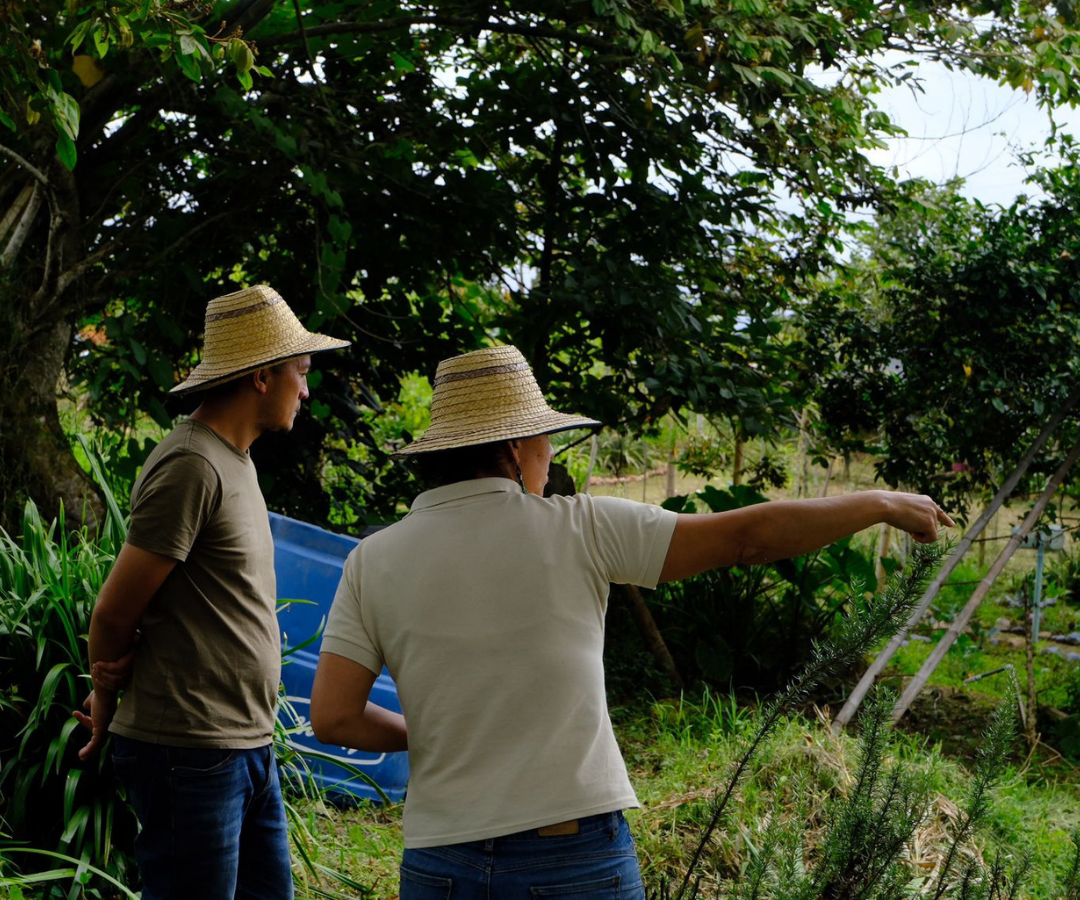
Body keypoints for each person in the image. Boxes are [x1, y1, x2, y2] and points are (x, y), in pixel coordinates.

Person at [309, 345, 952, 900]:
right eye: (544, 441)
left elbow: (334, 717)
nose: (548, 457)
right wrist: (879, 501)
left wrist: (434, 735)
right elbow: (748, 539)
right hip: (569, 853)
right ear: (513, 447)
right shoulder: (579, 527)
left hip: (437, 860)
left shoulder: (374, 558)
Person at [75, 284, 348, 900]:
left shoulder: (237, 461)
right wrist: (106, 699)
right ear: (261, 376)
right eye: (299, 373)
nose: (305, 390)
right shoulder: (191, 465)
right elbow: (115, 613)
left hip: (243, 743)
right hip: (189, 751)